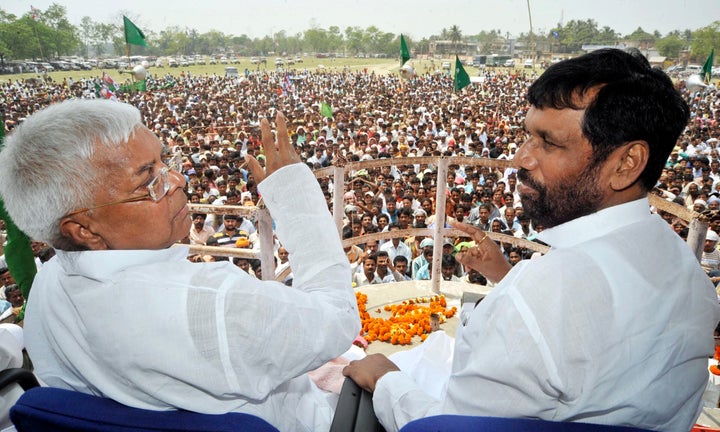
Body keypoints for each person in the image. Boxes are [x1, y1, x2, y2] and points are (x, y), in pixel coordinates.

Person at [343, 49, 720, 432]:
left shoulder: (545, 294)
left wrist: (385, 379)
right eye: (527, 136)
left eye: (549, 142)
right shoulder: (684, 268)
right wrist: (505, 275)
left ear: (626, 163)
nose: (521, 158)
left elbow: (450, 425)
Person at [0, 100, 360, 432]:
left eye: (165, 162)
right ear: (83, 229)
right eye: (149, 181)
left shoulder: (48, 286)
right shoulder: (208, 302)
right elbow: (339, 317)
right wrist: (295, 197)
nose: (178, 180)